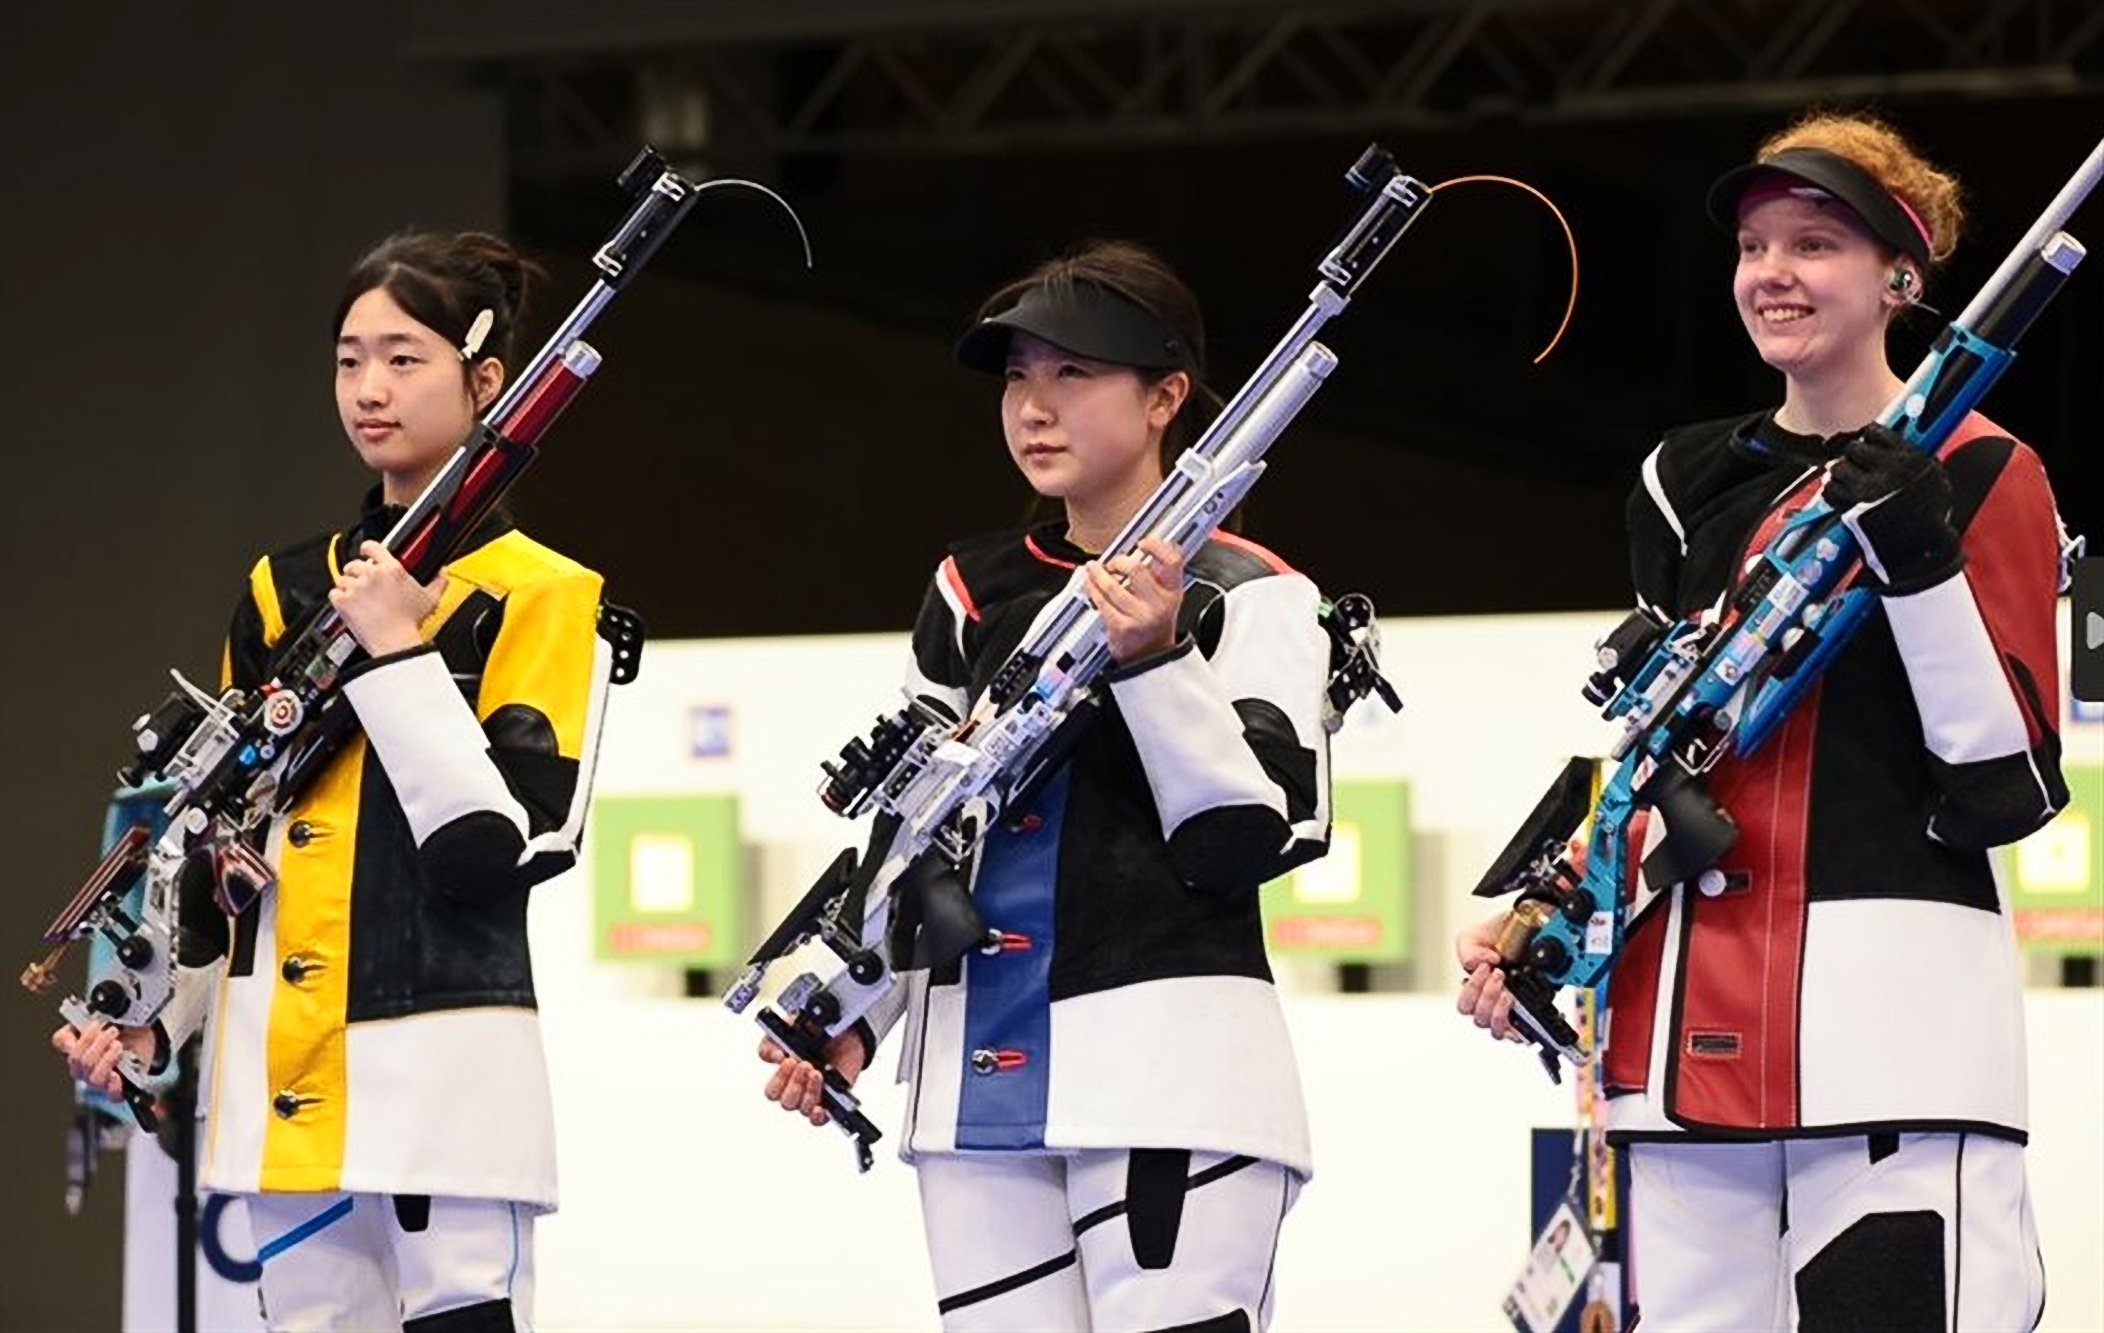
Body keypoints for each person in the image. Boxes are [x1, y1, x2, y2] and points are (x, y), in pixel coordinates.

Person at [1458, 111, 2071, 1331]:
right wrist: (1541, 902)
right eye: (1753, 246)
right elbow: (1656, 737)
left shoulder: (1984, 464)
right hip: (1675, 1023)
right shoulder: (1679, 478)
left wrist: (1914, 552)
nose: (1772, 274)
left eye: (1815, 243)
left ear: (1900, 274)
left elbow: (2004, 780)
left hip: (1887, 1032)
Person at [761, 239, 1334, 1330]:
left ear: (1168, 396)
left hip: (1173, 1079)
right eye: (1019, 376)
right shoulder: (969, 589)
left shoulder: (1254, 593)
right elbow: (913, 827)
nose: (1034, 405)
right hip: (973, 1081)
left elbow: (1247, 837)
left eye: (1073, 373)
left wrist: (1157, 659)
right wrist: (855, 1014)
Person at [56, 230, 622, 1331]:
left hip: (444, 1066)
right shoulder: (280, 589)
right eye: (348, 357)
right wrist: (154, 1023)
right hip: (282, 1068)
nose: (369, 388)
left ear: (487, 380)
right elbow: (221, 851)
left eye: (404, 357)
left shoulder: (547, 592)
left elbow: (506, 850)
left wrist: (403, 654)